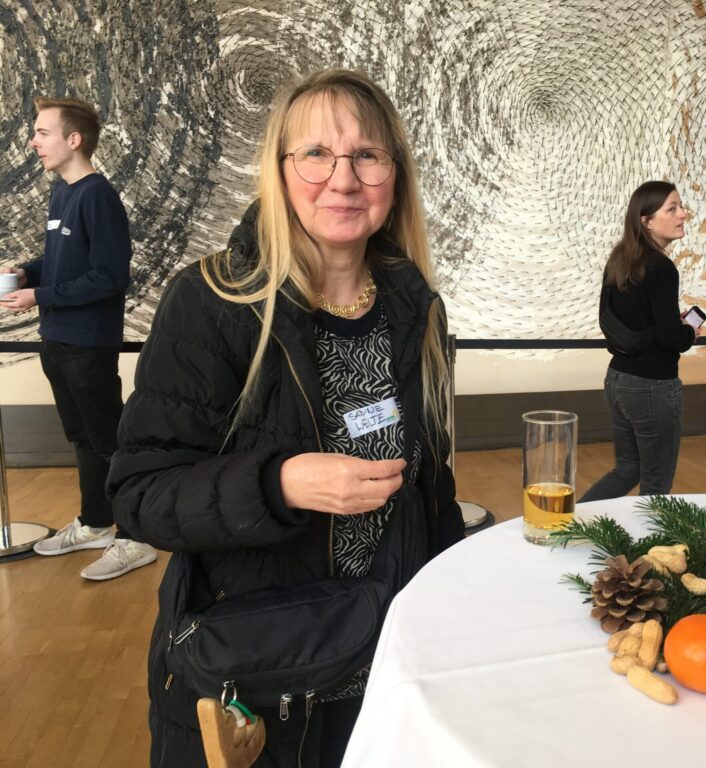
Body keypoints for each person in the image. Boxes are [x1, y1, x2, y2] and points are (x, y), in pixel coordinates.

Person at [106, 69, 464, 766]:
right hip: (264, 685)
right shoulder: (214, 301)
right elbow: (138, 493)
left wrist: (452, 616)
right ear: (279, 170)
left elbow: (432, 487)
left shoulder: (416, 309)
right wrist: (278, 485)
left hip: (389, 678)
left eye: (368, 154)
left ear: (395, 174)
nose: (344, 179)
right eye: (316, 155)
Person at [0, 97, 157, 580]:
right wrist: (28, 272)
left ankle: (135, 538)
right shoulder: (61, 194)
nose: (33, 141)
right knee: (81, 437)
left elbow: (109, 277)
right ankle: (95, 522)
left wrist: (39, 296)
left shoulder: (97, 196)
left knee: (109, 440)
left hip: (89, 341)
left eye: (43, 132)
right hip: (57, 338)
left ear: (74, 140)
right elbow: (66, 261)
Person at [580, 181, 701, 503]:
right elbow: (671, 338)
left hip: (619, 379)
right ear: (646, 220)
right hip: (653, 387)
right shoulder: (662, 268)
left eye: (681, 207)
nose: (682, 214)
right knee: (656, 485)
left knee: (626, 469)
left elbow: (619, 321)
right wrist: (690, 330)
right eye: (672, 208)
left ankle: (567, 526)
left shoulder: (620, 260)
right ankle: (652, 553)